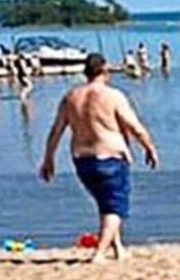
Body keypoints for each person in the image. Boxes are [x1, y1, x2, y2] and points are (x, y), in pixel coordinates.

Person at [39, 53, 159, 263]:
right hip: (110, 157)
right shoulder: (113, 96)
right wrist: (149, 148)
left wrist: (49, 158)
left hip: (82, 160)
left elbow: (56, 130)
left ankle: (118, 249)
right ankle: (99, 253)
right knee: (114, 209)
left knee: (105, 204)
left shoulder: (71, 97)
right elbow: (135, 126)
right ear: (104, 71)